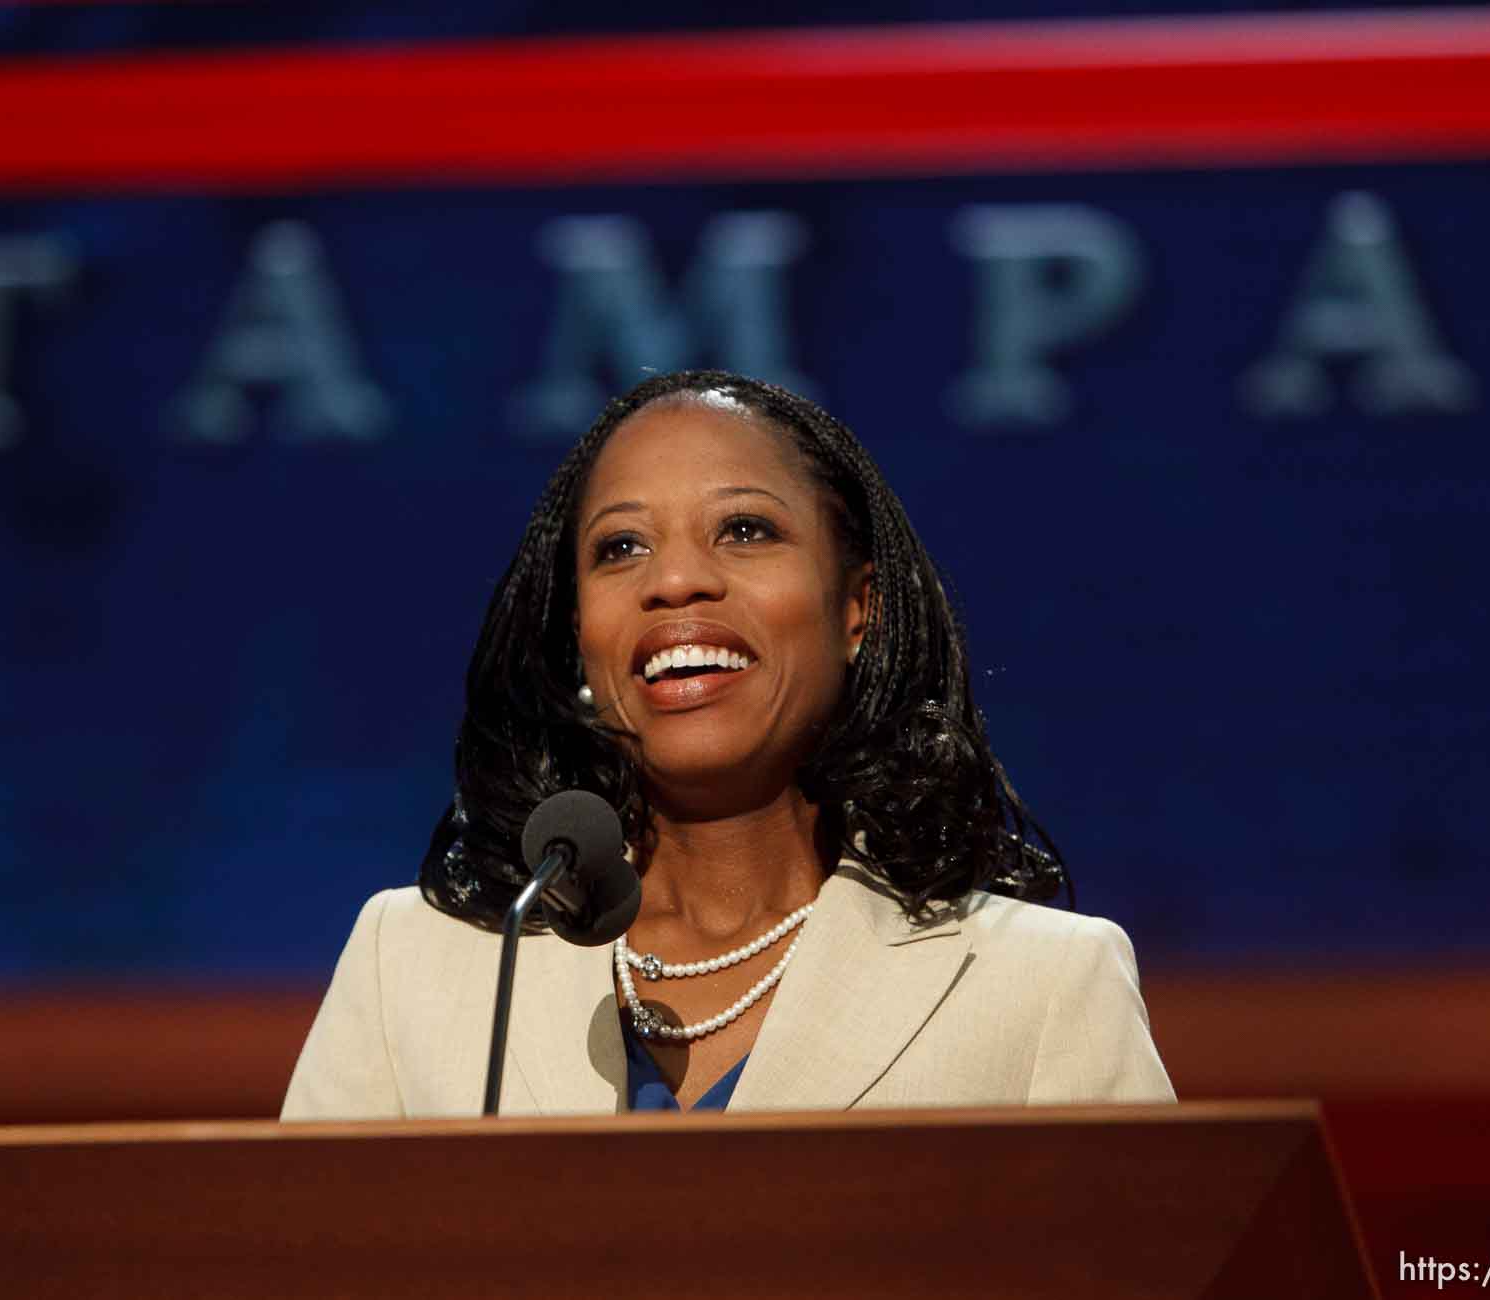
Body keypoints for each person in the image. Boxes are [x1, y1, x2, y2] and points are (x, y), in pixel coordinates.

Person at [283, 370, 1173, 1117]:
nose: (675, 580)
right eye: (621, 547)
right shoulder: (411, 969)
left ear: (856, 606)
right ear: (578, 633)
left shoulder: (1043, 984)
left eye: (745, 530)